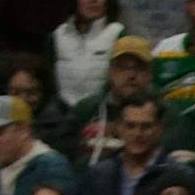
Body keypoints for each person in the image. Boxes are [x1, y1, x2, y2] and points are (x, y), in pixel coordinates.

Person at [80, 96, 169, 195]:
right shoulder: (98, 174)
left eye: (146, 127)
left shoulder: (174, 175)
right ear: (118, 128)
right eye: (130, 126)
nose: (137, 134)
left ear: (159, 129)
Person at [64, 35, 156, 169]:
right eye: (122, 68)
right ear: (110, 72)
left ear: (150, 74)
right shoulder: (86, 109)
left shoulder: (163, 112)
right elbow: (63, 153)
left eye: (139, 68)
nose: (131, 75)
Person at [51, 0, 123, 111]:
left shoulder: (118, 34)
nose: (93, 0)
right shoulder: (58, 35)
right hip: (62, 114)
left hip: (105, 113)